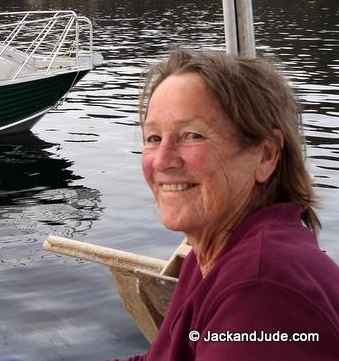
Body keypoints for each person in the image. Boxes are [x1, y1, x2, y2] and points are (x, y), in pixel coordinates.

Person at [116, 50, 339, 360]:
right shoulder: (213, 255)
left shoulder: (260, 291)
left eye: (192, 135)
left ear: (266, 155)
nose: (163, 161)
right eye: (153, 138)